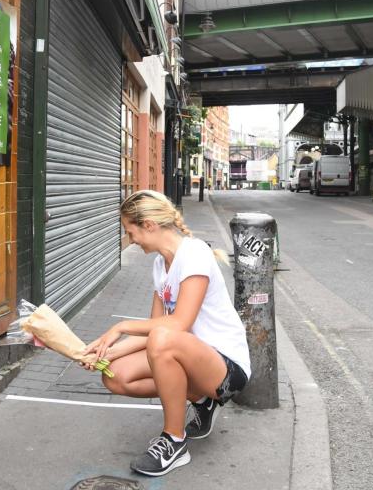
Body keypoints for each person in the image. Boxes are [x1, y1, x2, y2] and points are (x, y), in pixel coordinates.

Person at [83, 189, 251, 477]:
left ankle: (174, 441)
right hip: (188, 354)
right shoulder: (161, 264)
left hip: (226, 369)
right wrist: (104, 352)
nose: (130, 240)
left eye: (130, 231)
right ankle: (201, 400)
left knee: (164, 340)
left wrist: (120, 326)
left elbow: (177, 325)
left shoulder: (194, 253)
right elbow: (154, 330)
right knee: (114, 375)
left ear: (149, 225)